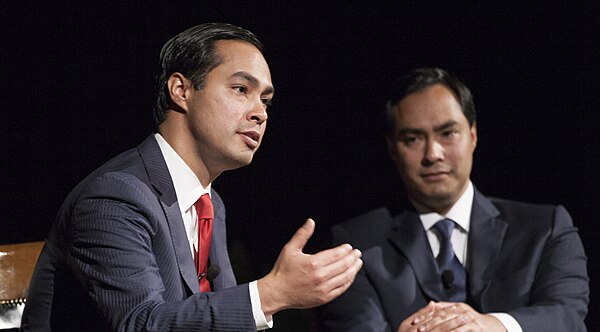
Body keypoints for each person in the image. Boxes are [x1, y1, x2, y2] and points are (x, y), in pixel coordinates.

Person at [21, 23, 363, 331]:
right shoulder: (114, 196)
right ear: (181, 90)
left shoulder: (209, 201)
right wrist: (270, 293)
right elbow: (141, 323)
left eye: (266, 101)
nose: (260, 113)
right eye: (241, 89)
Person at [322, 68, 589, 331]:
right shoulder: (356, 243)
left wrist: (493, 325)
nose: (433, 154)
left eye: (447, 133)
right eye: (413, 139)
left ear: (472, 135)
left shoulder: (545, 227)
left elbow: (567, 317)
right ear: (392, 148)